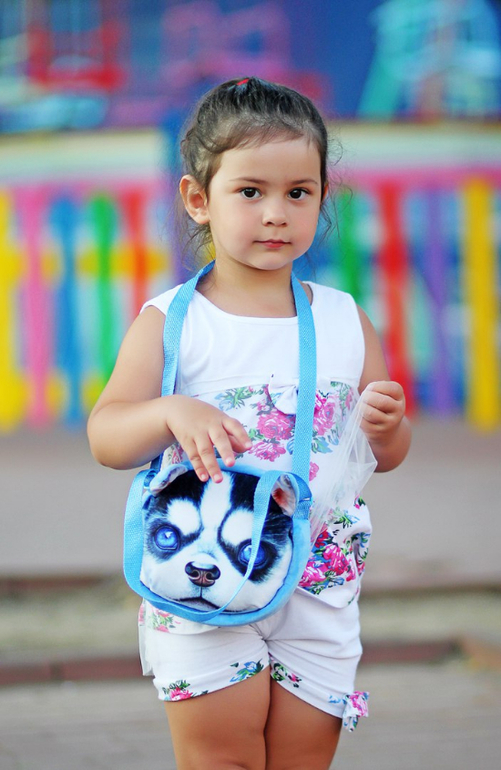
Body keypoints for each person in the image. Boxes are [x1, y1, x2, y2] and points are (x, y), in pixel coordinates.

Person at [87, 77, 411, 770]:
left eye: (298, 192)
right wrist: (168, 410)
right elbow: (106, 436)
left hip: (318, 582)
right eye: (250, 191)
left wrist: (386, 430)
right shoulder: (170, 322)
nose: (275, 214)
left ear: (322, 198)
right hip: (202, 574)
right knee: (221, 759)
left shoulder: (344, 319)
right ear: (197, 200)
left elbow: (382, 456)